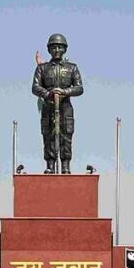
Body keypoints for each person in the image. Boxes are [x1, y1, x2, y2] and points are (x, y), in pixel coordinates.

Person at [31, 33, 83, 174]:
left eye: (60, 47)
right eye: (54, 47)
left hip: (65, 108)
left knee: (66, 136)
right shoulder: (42, 68)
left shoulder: (72, 68)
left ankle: (65, 166)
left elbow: (79, 88)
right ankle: (50, 166)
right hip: (48, 107)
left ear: (65, 49)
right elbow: (35, 87)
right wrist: (48, 94)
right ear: (49, 50)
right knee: (49, 136)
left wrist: (64, 92)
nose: (57, 50)